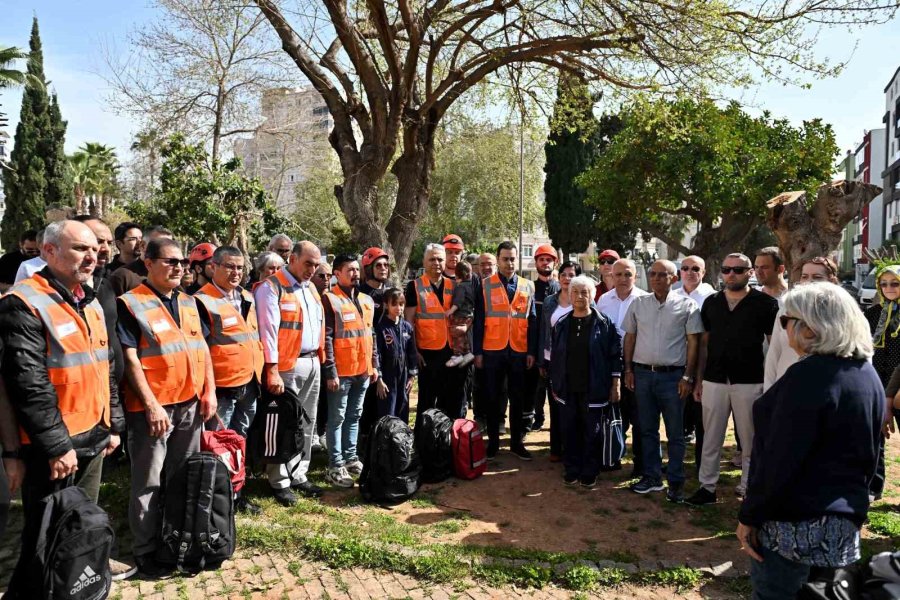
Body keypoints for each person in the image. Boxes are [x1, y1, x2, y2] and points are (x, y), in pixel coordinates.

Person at [0, 220, 132, 583]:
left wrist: (112, 425)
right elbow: (29, 385)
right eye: (80, 249)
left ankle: (79, 582)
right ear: (49, 251)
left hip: (93, 434)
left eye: (93, 249)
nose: (91, 256)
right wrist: (57, 446)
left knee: (81, 522)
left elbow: (104, 368)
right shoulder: (23, 303)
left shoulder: (86, 300)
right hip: (53, 447)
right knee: (46, 533)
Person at [737, 283, 884, 599]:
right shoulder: (865, 373)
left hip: (793, 528)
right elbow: (870, 456)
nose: (783, 328)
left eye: (785, 320)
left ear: (809, 328)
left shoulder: (808, 376)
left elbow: (780, 460)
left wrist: (749, 516)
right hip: (842, 526)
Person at [117, 237, 217, 578]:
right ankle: (145, 550)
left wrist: (210, 392)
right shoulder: (131, 304)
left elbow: (202, 350)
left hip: (189, 405)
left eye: (183, 263)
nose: (179, 268)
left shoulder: (190, 303)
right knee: (148, 482)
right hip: (153, 410)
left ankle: (175, 538)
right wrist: (151, 405)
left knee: (180, 478)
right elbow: (130, 358)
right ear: (148, 263)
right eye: (171, 261)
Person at [687, 253, 779, 506]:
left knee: (750, 440)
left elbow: (774, 346)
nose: (731, 274)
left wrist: (771, 385)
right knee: (710, 437)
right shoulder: (711, 303)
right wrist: (698, 380)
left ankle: (749, 488)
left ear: (750, 272)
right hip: (713, 380)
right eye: (726, 269)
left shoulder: (766, 304)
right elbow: (703, 344)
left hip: (750, 381)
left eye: (738, 270)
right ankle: (707, 487)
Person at [623, 259, 702, 501]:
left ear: (674, 278)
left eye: (662, 274)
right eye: (652, 274)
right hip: (643, 375)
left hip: (673, 378)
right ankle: (652, 477)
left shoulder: (687, 305)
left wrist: (688, 376)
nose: (656, 278)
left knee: (675, 433)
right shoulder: (639, 303)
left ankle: (676, 481)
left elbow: (694, 343)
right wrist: (628, 369)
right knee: (646, 429)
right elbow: (630, 337)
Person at [194, 246, 264, 513]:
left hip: (248, 383)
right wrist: (208, 389)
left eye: (239, 267)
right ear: (214, 267)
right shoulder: (202, 301)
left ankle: (236, 493)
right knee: (218, 444)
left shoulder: (246, 297)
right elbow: (201, 350)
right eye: (229, 267)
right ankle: (217, 499)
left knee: (239, 440)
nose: (236, 272)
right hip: (222, 388)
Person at [254, 241, 326, 504]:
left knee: (307, 422)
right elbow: (268, 332)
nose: (312, 269)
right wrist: (271, 370)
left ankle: (299, 473)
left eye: (316, 265)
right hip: (285, 367)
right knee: (282, 425)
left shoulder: (310, 290)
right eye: (308, 263)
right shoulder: (271, 288)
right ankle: (279, 480)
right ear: (292, 259)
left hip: (311, 362)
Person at [548, 275, 621, 488]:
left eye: (585, 292)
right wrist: (555, 383)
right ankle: (572, 468)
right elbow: (555, 355)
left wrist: (615, 383)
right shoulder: (561, 323)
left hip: (594, 386)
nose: (580, 296)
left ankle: (590, 470)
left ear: (592, 295)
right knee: (569, 429)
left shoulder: (604, 323)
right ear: (569, 296)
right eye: (576, 292)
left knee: (592, 431)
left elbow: (614, 355)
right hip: (567, 387)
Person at [474, 241, 538, 460]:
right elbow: (479, 320)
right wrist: (478, 352)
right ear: (498, 259)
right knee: (492, 398)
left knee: (518, 398)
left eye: (512, 258)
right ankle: (492, 443)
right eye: (505, 259)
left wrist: (531, 351)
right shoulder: (484, 285)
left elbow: (532, 321)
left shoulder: (528, 285)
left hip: (519, 351)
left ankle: (516, 443)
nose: (509, 263)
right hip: (492, 350)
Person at [323, 254, 380, 488]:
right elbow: (326, 338)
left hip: (363, 370)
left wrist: (374, 364)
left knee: (355, 415)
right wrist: (331, 371)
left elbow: (371, 334)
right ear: (337, 274)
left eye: (357, 269)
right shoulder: (330, 299)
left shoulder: (366, 300)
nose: (355, 273)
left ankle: (350, 457)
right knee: (337, 418)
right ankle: (334, 464)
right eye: (350, 270)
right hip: (342, 372)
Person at [404, 244, 468, 426]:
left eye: (440, 259)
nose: (436, 263)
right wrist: (413, 351)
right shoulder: (414, 286)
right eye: (432, 259)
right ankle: (424, 445)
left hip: (452, 352)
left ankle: (447, 442)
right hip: (427, 354)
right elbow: (409, 323)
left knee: (451, 401)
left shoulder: (454, 285)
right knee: (426, 401)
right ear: (424, 261)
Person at [597, 258, 649, 476]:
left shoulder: (645, 300)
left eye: (627, 274)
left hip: (637, 365)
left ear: (635, 276)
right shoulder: (602, 301)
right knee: (614, 415)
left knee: (639, 416)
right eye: (618, 274)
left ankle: (640, 464)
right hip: (610, 364)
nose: (622, 279)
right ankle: (613, 455)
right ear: (611, 276)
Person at [763, 257, 839, 391]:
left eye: (817, 277)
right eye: (805, 276)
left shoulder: (842, 314)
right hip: (784, 387)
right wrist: (768, 390)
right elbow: (774, 353)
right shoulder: (785, 311)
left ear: (831, 281)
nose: (809, 281)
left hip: (824, 391)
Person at [539, 260, 582, 462]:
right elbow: (542, 331)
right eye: (563, 274)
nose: (567, 278)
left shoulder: (584, 300)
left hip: (576, 362)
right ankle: (556, 448)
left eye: (571, 274)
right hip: (552, 361)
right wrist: (541, 360)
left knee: (573, 405)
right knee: (555, 405)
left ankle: (573, 447)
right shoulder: (549, 301)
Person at [674, 255, 716, 452]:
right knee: (677, 416)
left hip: (703, 363)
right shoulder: (672, 295)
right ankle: (676, 461)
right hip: (676, 360)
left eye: (695, 269)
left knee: (700, 415)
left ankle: (701, 465)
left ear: (704, 272)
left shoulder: (712, 297)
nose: (690, 272)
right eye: (685, 268)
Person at [529, 244, 561, 431]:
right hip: (534, 344)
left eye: (549, 259)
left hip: (555, 347)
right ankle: (537, 418)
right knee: (536, 387)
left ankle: (556, 423)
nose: (545, 263)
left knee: (555, 387)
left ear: (554, 263)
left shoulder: (560, 289)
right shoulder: (530, 288)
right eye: (542, 259)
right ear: (536, 263)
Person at [375, 288, 418, 424]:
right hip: (387, 376)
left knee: (403, 406)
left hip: (403, 374)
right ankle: (386, 441)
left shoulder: (407, 327)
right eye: (394, 304)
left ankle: (401, 440)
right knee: (388, 409)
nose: (398, 308)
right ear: (386, 305)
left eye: (401, 304)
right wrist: (379, 379)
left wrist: (412, 376)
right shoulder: (381, 328)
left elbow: (411, 353)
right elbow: (377, 354)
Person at [109, 225, 175, 296]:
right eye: (159, 245)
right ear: (143, 245)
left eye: (170, 246)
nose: (166, 250)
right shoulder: (123, 277)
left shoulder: (174, 275)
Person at [445, 259, 475, 367]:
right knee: (465, 335)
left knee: (457, 334)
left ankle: (458, 354)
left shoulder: (460, 287)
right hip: (470, 315)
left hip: (461, 315)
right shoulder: (472, 286)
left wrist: (450, 311)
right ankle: (467, 353)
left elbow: (459, 301)